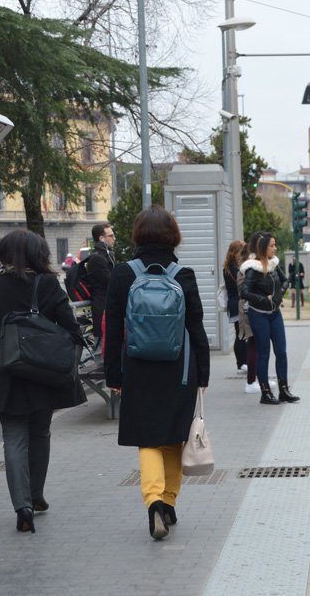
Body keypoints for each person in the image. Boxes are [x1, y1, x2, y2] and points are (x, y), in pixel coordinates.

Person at [104, 206, 210, 540]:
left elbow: (113, 332)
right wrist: (203, 377)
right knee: (173, 437)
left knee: (147, 439)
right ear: (173, 236)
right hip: (179, 371)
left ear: (137, 234)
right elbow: (196, 329)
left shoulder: (123, 274)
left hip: (137, 369)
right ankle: (168, 501)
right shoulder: (184, 275)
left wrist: (114, 376)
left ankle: (152, 502)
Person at [0, 229, 87, 534]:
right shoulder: (49, 283)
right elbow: (70, 326)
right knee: (40, 432)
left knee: (13, 438)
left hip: (7, 373)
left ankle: (21, 506)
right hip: (43, 373)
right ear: (39, 254)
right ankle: (36, 495)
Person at [241, 232, 301, 405]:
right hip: (258, 314)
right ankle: (265, 393)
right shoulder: (252, 268)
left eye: (275, 245)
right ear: (263, 247)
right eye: (272, 245)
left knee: (281, 351)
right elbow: (244, 292)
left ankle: (284, 390)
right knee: (264, 354)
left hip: (275, 314)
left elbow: (285, 281)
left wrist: (279, 293)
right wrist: (263, 299)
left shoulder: (274, 264)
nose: (275, 248)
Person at [86, 223, 116, 345]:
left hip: (108, 305)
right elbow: (110, 281)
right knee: (102, 347)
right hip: (102, 307)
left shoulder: (107, 255)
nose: (114, 238)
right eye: (111, 236)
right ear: (101, 239)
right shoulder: (97, 258)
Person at [223, 240, 248, 374]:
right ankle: (241, 364)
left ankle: (243, 363)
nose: (244, 254)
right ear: (235, 252)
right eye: (242, 251)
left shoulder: (229, 267)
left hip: (235, 303)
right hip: (237, 304)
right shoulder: (233, 268)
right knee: (240, 334)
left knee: (241, 333)